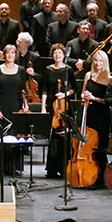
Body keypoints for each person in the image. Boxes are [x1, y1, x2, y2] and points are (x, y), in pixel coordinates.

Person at [0, 45, 28, 174]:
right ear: (4, 55)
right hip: (2, 105)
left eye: (13, 53)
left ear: (15, 55)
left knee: (15, 136)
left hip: (16, 105)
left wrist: (25, 104)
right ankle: (2, 167)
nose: (10, 55)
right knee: (3, 136)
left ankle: (15, 167)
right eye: (8, 53)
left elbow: (24, 89)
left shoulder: (21, 70)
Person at [41, 43, 76, 178]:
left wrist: (64, 94)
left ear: (63, 55)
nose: (57, 55)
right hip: (52, 106)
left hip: (65, 106)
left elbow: (74, 89)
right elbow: (44, 88)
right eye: (55, 53)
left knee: (65, 137)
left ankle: (64, 167)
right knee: (53, 137)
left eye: (60, 53)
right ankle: (52, 169)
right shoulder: (48, 69)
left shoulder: (68, 70)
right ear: (52, 55)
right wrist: (43, 106)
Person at [79, 51, 112, 187]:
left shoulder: (109, 79)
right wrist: (84, 96)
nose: (97, 63)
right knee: (89, 144)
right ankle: (90, 174)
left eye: (100, 61)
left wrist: (94, 98)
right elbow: (82, 93)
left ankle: (102, 176)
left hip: (102, 114)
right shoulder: (88, 75)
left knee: (100, 145)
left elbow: (108, 101)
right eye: (95, 61)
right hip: (89, 112)